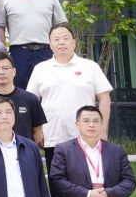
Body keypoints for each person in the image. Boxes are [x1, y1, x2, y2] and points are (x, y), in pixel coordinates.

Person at [27, 26, 114, 160]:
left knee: (87, 173)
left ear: (74, 42)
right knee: (56, 173)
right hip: (52, 136)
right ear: (50, 45)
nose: (61, 42)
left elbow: (105, 98)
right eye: (56, 39)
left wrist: (102, 130)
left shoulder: (90, 67)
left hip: (86, 136)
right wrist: (37, 130)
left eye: (65, 38)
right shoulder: (40, 69)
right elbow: (31, 102)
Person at [0, 0, 67, 83]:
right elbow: (0, 26)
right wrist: (2, 54)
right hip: (19, 54)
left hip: (47, 52)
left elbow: (61, 25)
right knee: (20, 89)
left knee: (48, 86)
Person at [0, 52, 48, 145]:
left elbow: (38, 133)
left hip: (24, 151)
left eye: (5, 68)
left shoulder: (30, 99)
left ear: (14, 71)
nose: (1, 72)